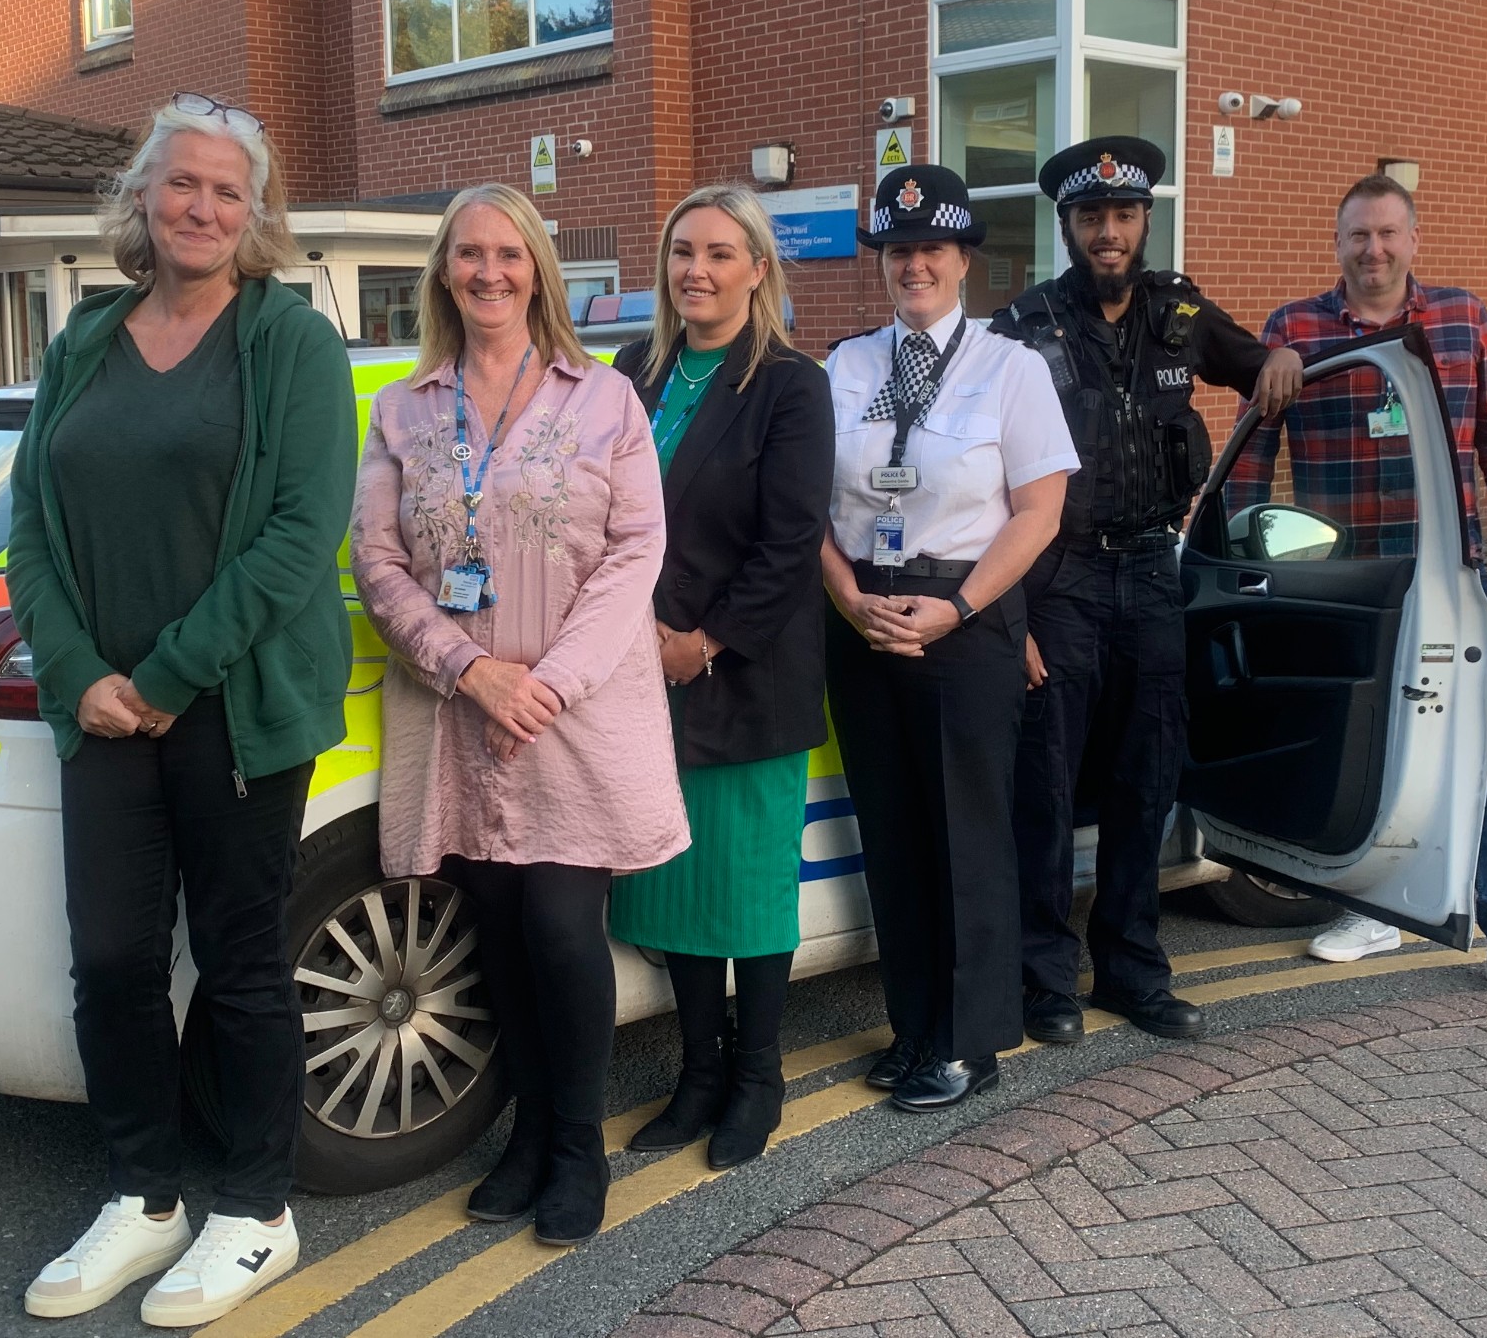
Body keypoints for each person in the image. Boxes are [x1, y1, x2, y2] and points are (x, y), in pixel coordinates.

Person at [8, 93, 356, 1326]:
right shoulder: (83, 340)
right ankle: (144, 1195)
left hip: (234, 708)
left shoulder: (290, 342)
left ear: (253, 214)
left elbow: (298, 537)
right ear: (142, 199)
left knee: (243, 961)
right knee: (107, 958)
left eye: (227, 190)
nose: (202, 207)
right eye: (182, 184)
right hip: (100, 708)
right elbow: (30, 532)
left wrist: (161, 678)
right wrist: (82, 674)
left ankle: (258, 1210)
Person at [350, 183, 688, 1244]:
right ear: (443, 271)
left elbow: (637, 548)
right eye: (468, 254)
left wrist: (547, 681)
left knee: (556, 924)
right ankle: (527, 1134)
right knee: (494, 928)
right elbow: (376, 558)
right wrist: (469, 667)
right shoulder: (403, 407)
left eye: (508, 253)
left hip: (574, 709)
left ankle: (575, 1143)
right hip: (459, 708)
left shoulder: (604, 398)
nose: (488, 271)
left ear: (538, 267)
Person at [989, 137, 1304, 1048]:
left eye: (1124, 215)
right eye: (1091, 217)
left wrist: (1275, 355)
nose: (1109, 231)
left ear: (1144, 223)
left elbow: (1259, 368)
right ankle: (1044, 979)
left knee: (1144, 777)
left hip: (1153, 572)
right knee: (1043, 788)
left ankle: (1130, 968)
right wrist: (1009, 614)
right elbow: (978, 474)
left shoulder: (1183, 313)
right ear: (1068, 228)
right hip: (1059, 578)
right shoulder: (1024, 325)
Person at [1243, 173, 1487, 999]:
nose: (1375, 250)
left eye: (1389, 233)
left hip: (1450, 576)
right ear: (1338, 244)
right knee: (1363, 744)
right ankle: (1375, 906)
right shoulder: (1296, 328)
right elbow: (1255, 449)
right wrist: (1239, 542)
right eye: (1358, 235)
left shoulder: (1461, 320)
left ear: (1413, 239)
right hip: (1349, 585)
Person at [823, 164, 1079, 1111]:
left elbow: (1039, 511)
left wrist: (962, 609)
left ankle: (970, 1042)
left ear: (965, 258)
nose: (913, 264)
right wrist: (847, 594)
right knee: (891, 836)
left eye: (931, 248)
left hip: (963, 618)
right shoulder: (845, 366)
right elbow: (807, 506)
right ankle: (915, 1025)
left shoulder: (1011, 369)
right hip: (862, 615)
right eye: (897, 250)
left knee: (967, 836)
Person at [606, 185, 833, 1169]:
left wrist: (703, 639)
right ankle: (697, 1072)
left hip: (744, 671)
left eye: (716, 252)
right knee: (673, 886)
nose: (694, 269)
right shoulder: (632, 370)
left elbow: (790, 539)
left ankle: (758, 1075)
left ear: (755, 270)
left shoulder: (789, 383)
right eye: (679, 252)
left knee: (745, 888)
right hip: (639, 674)